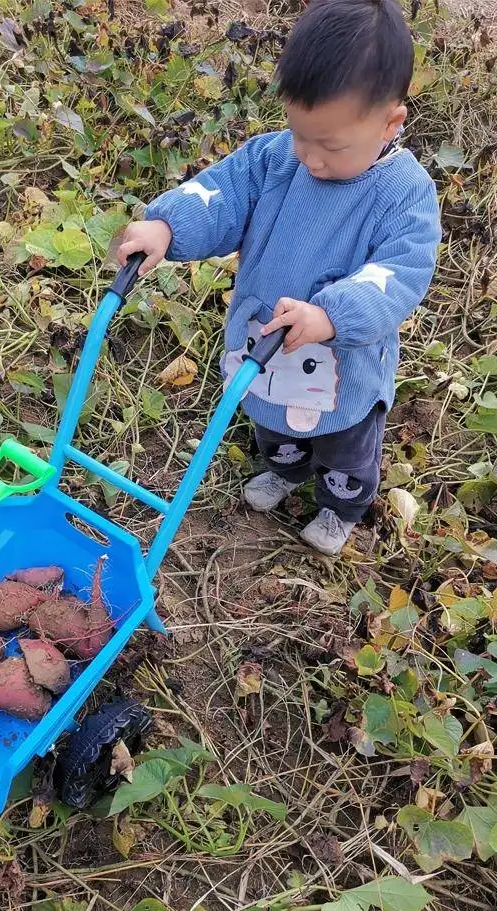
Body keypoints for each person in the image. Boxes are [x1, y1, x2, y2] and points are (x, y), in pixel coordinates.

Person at [117, 0, 441, 556]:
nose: (309, 157)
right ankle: (285, 471)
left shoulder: (404, 196)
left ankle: (341, 507)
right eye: (299, 134)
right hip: (263, 340)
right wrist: (169, 227)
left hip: (342, 363)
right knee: (273, 426)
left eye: (330, 145)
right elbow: (223, 194)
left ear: (390, 122)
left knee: (344, 447)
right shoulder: (274, 160)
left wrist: (331, 315)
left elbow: (400, 272)